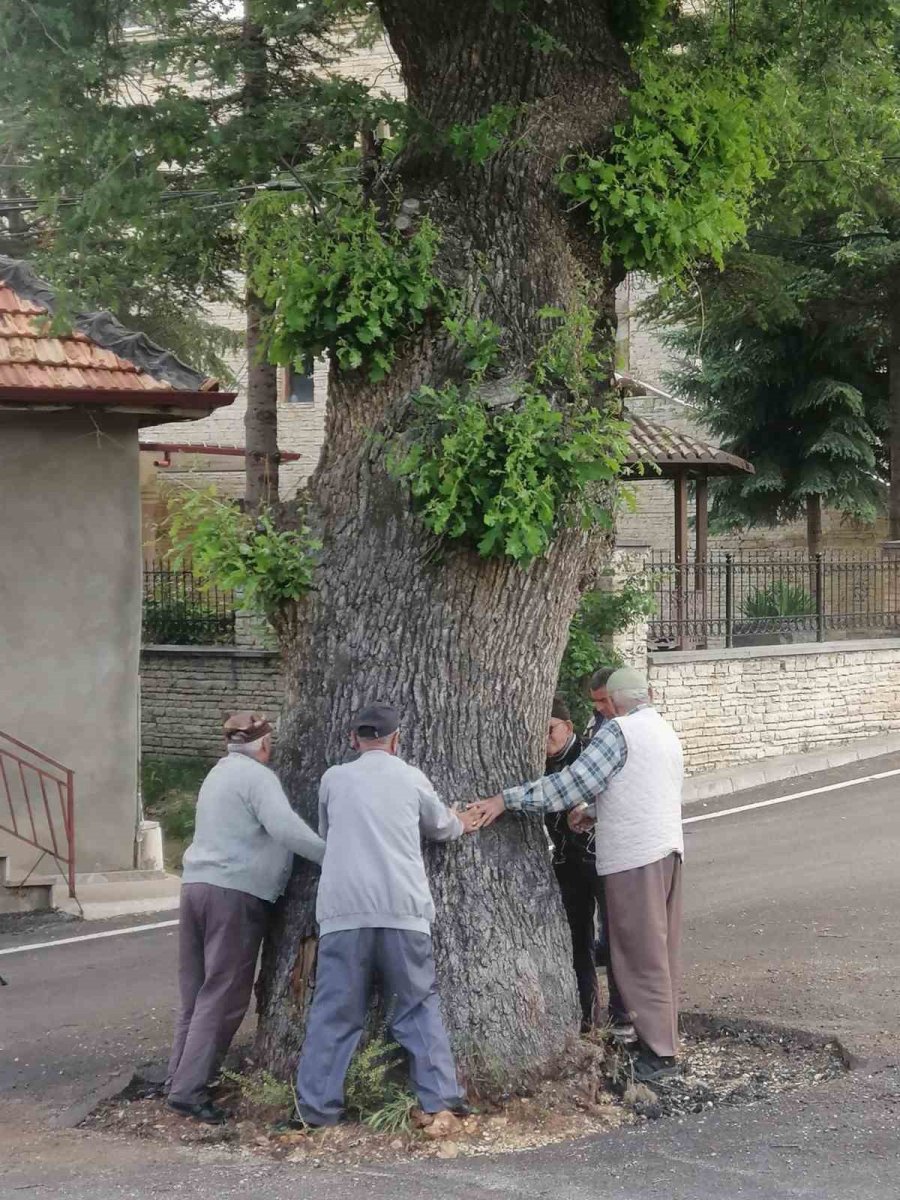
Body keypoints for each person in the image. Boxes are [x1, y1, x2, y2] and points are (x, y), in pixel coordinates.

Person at [472, 668, 684, 1082]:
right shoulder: (661, 729)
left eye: (603, 703)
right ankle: (658, 1040)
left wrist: (505, 800)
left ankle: (658, 1054)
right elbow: (643, 789)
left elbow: (568, 786)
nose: (600, 711)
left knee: (639, 956)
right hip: (668, 852)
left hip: (634, 857)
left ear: (620, 701)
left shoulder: (618, 731)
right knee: (660, 952)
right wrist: (593, 812)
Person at [294, 702, 479, 1127]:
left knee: (335, 1011)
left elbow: (327, 834)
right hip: (403, 909)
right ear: (396, 740)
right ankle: (439, 1100)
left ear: (353, 740)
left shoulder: (333, 779)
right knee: (417, 1005)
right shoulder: (411, 777)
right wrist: (462, 820)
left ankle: (317, 1109)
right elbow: (443, 828)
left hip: (344, 912)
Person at [166, 711, 325, 1124]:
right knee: (224, 993)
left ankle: (178, 1076)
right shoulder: (258, 778)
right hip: (234, 893)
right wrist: (332, 854)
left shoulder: (217, 775)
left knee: (196, 990)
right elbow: (285, 827)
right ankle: (189, 1090)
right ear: (265, 745)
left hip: (195, 886)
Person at [544, 695, 603, 1033]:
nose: (544, 740)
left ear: (567, 726)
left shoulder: (589, 754)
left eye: (550, 729)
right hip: (566, 860)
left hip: (600, 858)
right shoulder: (539, 762)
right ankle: (587, 1019)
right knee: (577, 942)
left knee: (616, 941)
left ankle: (624, 1018)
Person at [584, 665, 617, 741]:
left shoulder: (638, 725)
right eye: (595, 701)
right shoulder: (595, 721)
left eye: (603, 700)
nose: (599, 708)